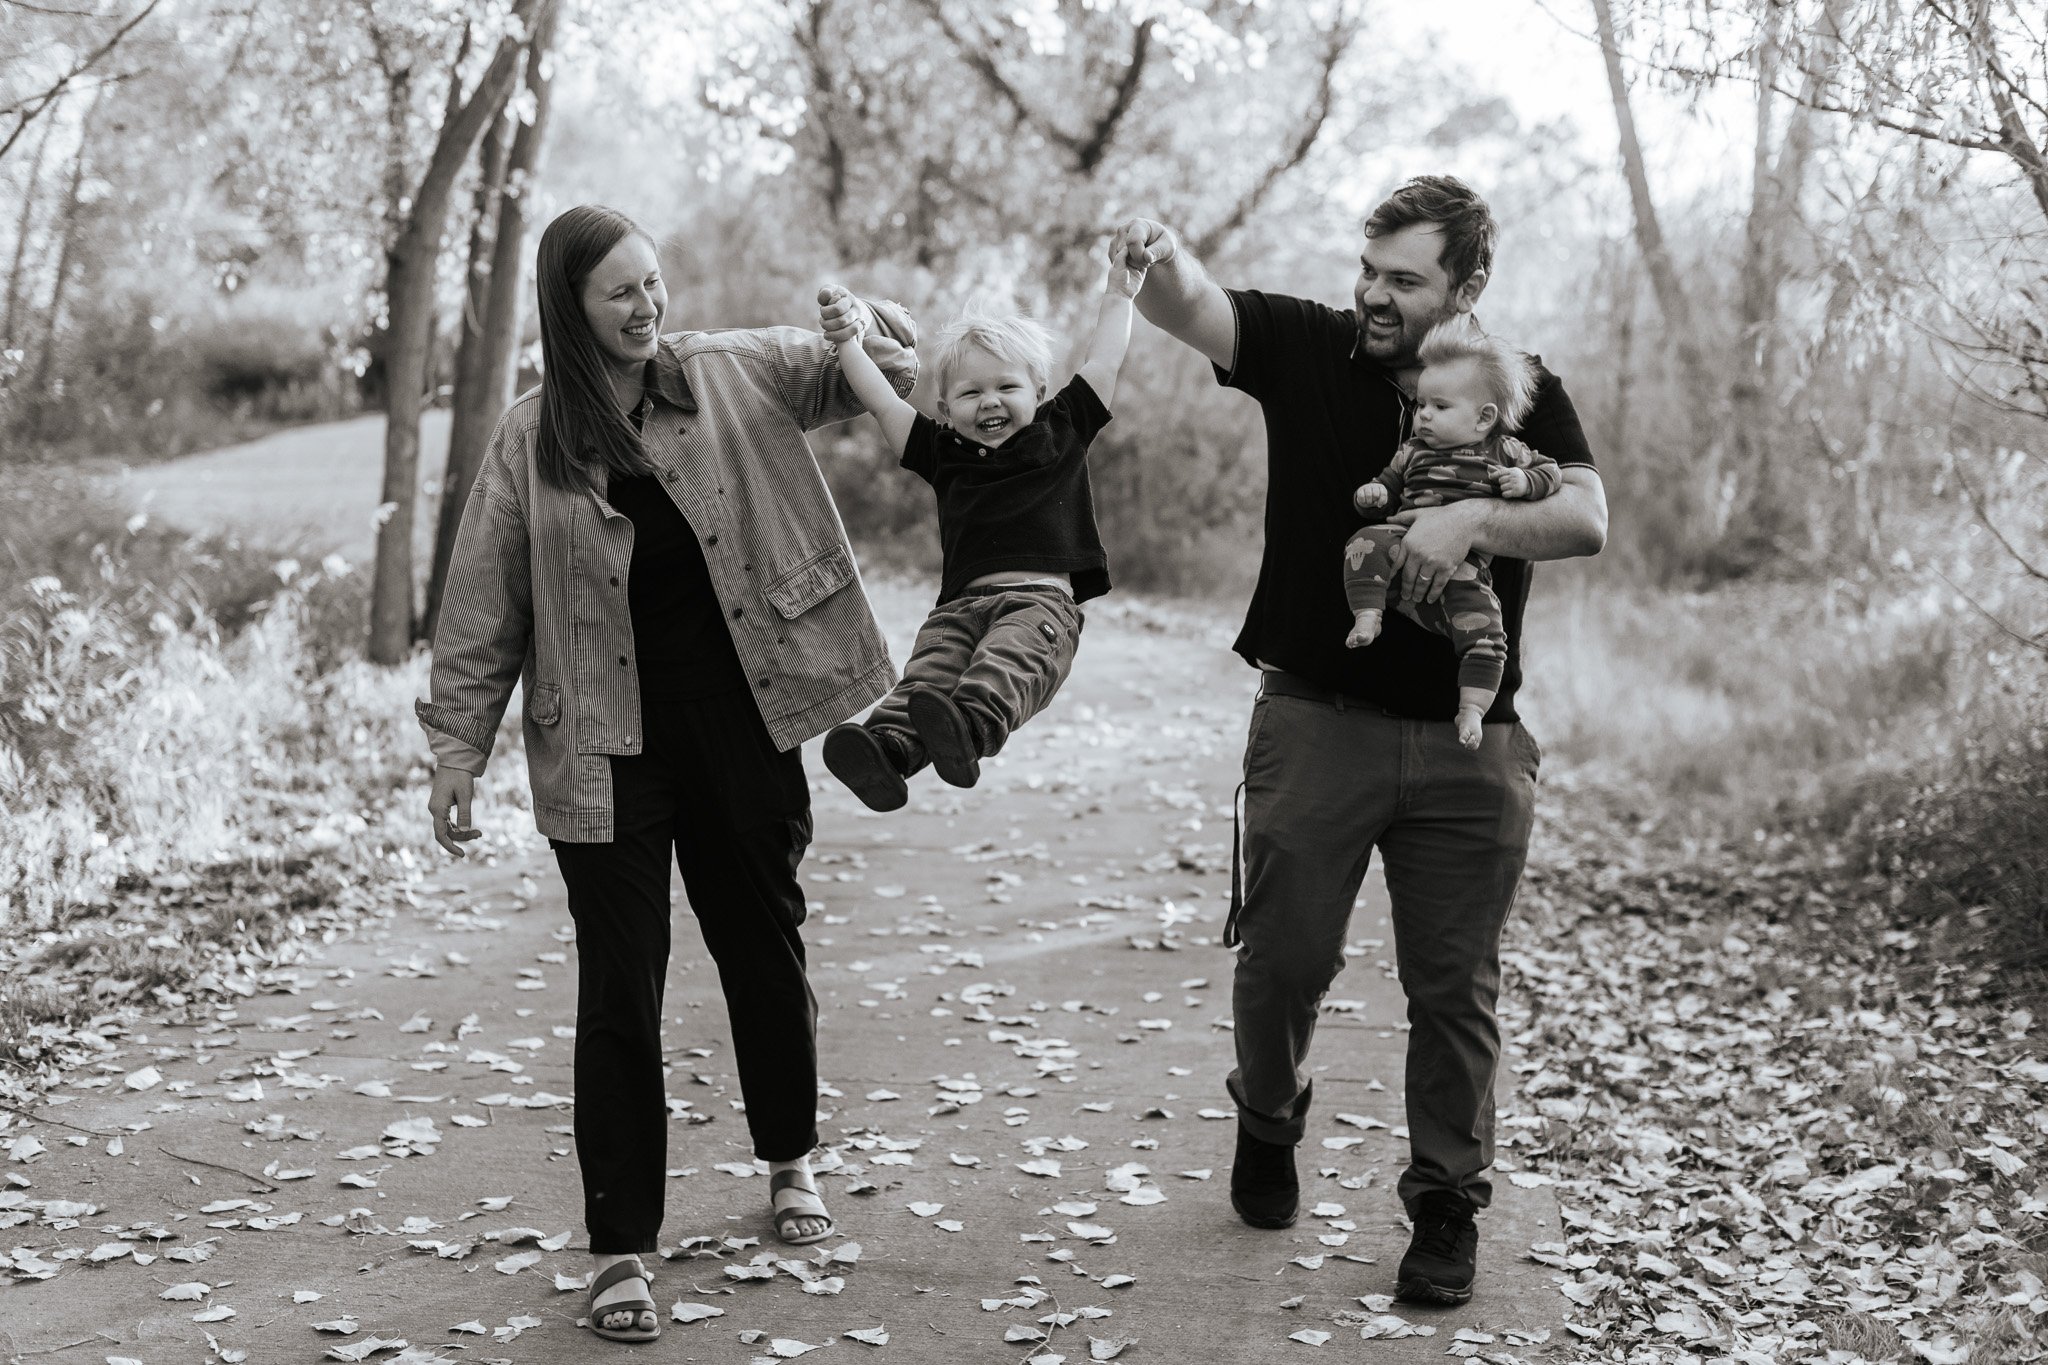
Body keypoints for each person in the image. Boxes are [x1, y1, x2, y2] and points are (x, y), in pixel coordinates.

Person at [416, 204, 919, 1344]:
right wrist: (457, 747)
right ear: (571, 309)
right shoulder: (530, 440)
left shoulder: (736, 369)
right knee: (619, 989)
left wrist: (872, 322)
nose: (648, 307)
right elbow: (483, 604)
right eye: (621, 292)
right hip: (602, 744)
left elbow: (878, 370)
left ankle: (789, 1159)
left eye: (653, 282)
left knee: (762, 947)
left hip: (742, 721)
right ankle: (619, 1249)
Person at [1111, 175, 1607, 1307]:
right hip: (1314, 724)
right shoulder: (1308, 346)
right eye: (1368, 270)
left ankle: (1444, 1205)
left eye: (1405, 279)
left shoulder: (1518, 388)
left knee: (1453, 988)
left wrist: (1471, 516)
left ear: (1468, 286)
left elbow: (1584, 517)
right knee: (1282, 961)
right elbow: (1190, 307)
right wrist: (1160, 253)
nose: (1374, 296)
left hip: (1469, 742)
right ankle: (1267, 1112)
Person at [812, 251, 1144, 812]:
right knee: (926, 680)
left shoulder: (1062, 429)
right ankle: (888, 751)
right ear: (946, 407)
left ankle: (970, 727)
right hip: (958, 611)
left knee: (1005, 663)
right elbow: (882, 402)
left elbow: (1105, 359)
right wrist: (847, 341)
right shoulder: (942, 451)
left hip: (1038, 606)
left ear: (1038, 390)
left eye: (1006, 387)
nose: (990, 401)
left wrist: (1120, 294)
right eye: (970, 393)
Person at [1343, 316, 1563, 749]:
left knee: (1488, 633)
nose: (1423, 415)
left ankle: (1472, 710)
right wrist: (1373, 496)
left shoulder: (1504, 450)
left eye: (1439, 407)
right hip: (1403, 548)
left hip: (1465, 573)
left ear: (1484, 418)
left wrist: (1526, 482)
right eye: (1420, 405)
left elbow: (1551, 472)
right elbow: (1387, 488)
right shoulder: (1411, 452)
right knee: (1364, 542)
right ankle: (1368, 614)